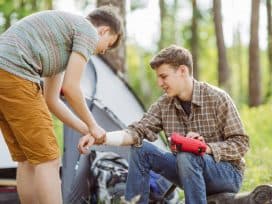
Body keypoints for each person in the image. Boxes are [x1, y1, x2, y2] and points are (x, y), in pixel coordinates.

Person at [79, 45, 250, 204]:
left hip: (226, 174)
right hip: (187, 171)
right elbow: (137, 131)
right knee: (141, 149)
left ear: (182, 71)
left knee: (187, 155)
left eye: (163, 76)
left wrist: (204, 148)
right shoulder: (164, 104)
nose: (159, 83)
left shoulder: (217, 98)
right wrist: (101, 137)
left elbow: (241, 144)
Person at [0, 5, 123, 204]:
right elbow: (72, 88)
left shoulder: (59, 45)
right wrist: (94, 125)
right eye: (108, 44)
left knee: (28, 160)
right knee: (48, 160)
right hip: (16, 72)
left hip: (5, 73)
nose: (104, 51)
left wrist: (86, 129)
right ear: (104, 31)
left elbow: (52, 100)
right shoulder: (87, 30)